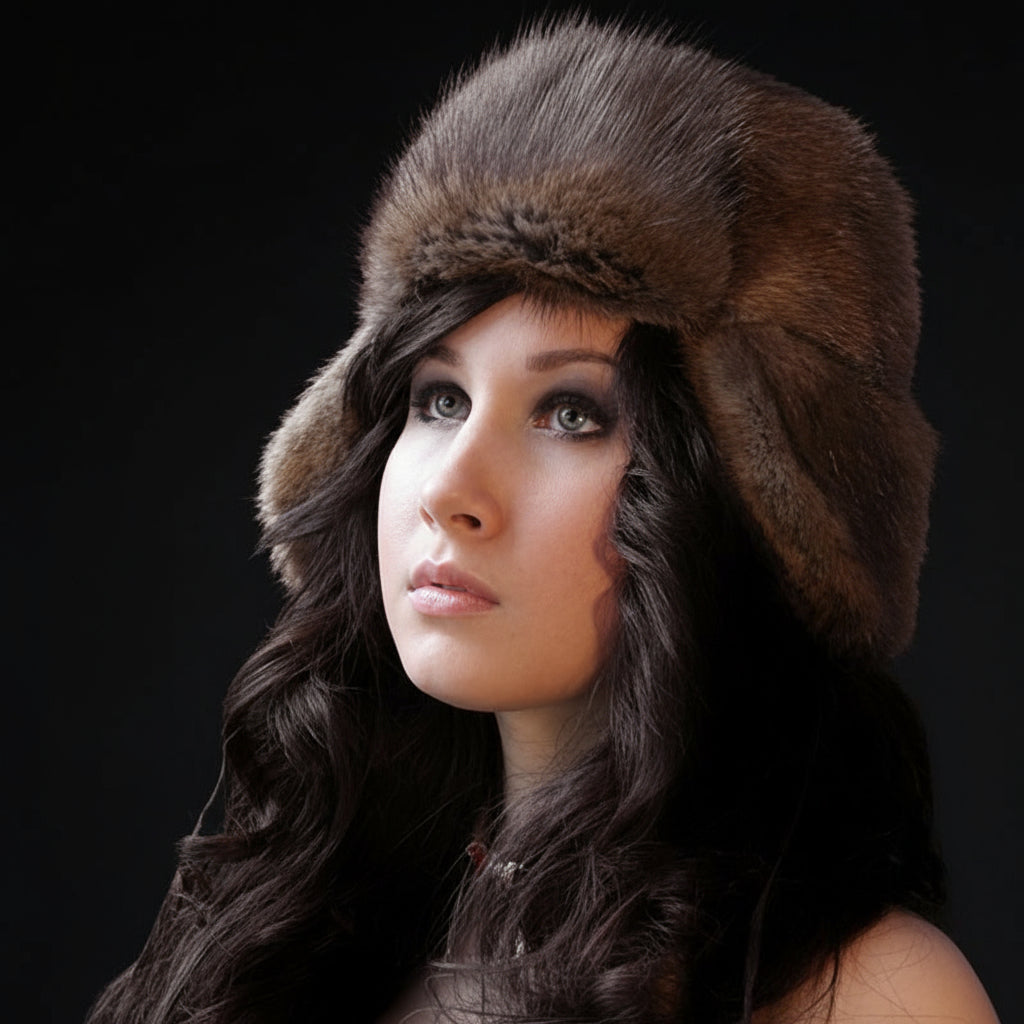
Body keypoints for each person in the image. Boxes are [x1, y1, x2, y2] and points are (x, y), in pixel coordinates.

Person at [86, 17, 1000, 1024]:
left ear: (738, 500)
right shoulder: (285, 933)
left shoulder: (865, 996)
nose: (450, 487)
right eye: (437, 399)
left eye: (572, 413)